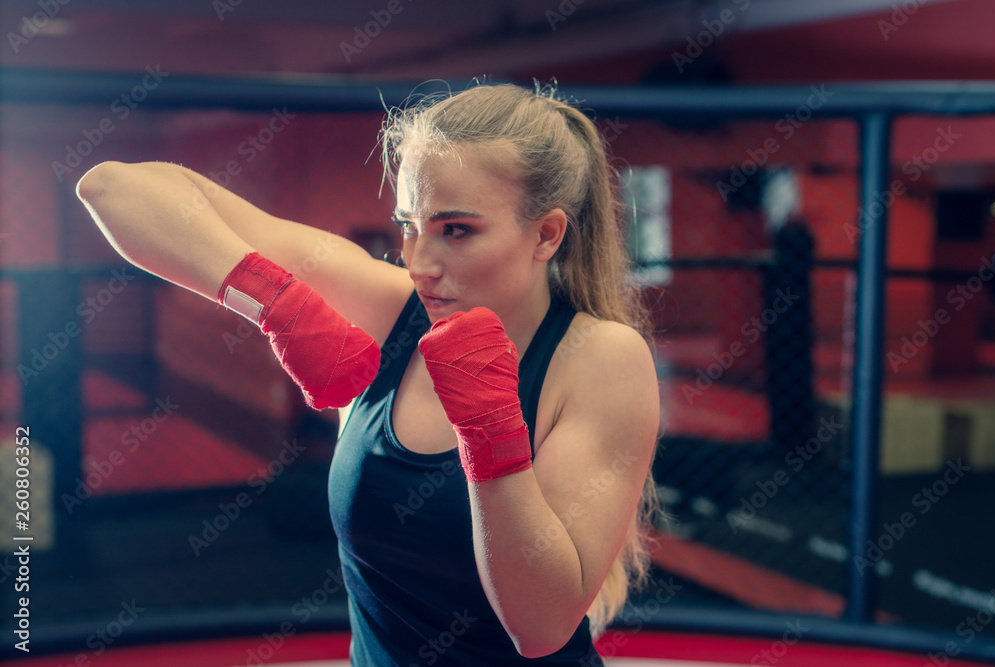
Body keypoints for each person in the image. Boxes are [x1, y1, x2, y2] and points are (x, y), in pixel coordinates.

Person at [76, 82, 661, 665]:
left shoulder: (600, 358)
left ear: (546, 234)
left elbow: (541, 627)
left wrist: (491, 431)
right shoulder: (393, 309)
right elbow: (112, 188)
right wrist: (278, 304)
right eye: (411, 225)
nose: (419, 263)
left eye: (456, 230)